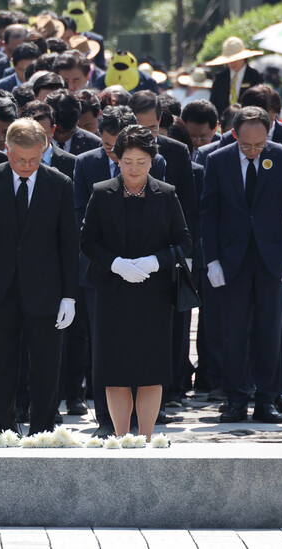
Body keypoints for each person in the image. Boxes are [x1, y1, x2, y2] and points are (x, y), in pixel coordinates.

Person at [0, 118, 79, 435]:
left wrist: (69, 296)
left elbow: (68, 244)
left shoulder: (59, 183)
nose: (27, 166)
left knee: (45, 364)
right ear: (7, 150)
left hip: (45, 289)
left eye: (34, 159)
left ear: (44, 150)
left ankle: (42, 430)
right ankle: (3, 429)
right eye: (19, 159)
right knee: (0, 363)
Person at [80, 125, 191, 439]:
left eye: (141, 162)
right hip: (112, 293)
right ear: (117, 159)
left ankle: (146, 438)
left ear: (152, 161)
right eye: (127, 161)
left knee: (150, 371)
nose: (134, 169)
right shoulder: (102, 192)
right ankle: (121, 438)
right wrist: (115, 264)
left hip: (153, 295)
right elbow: (88, 241)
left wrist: (155, 261)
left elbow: (184, 242)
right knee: (114, 371)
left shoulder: (166, 194)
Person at [200, 107, 282, 424]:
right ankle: (235, 398)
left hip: (271, 256)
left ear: (268, 134)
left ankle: (267, 398)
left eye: (259, 145)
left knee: (269, 330)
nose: (253, 151)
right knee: (232, 331)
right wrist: (212, 259)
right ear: (234, 135)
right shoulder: (218, 160)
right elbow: (209, 212)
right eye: (246, 145)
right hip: (233, 258)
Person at [206, 37, 263, 116]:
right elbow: (213, 104)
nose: (233, 62)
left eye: (236, 58)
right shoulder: (220, 78)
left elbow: (260, 103)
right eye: (230, 60)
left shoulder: (255, 76)